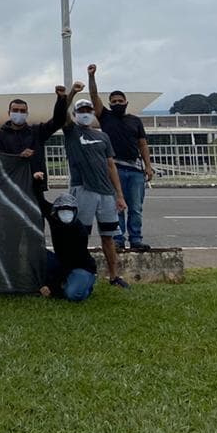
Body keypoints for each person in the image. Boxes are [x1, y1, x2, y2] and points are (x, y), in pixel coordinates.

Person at [62, 96, 130, 289]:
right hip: (83, 190)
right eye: (81, 111)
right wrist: (69, 95)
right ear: (75, 114)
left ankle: (114, 276)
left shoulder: (103, 136)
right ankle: (76, 274)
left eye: (88, 111)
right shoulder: (71, 132)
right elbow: (61, 114)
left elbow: (110, 166)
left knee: (108, 235)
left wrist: (119, 194)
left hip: (106, 193)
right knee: (80, 235)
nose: (85, 114)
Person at [88, 64, 155, 252]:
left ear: (126, 102)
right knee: (116, 206)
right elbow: (94, 97)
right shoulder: (106, 117)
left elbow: (142, 144)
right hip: (113, 168)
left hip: (135, 170)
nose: (117, 103)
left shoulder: (135, 121)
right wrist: (91, 77)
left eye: (120, 100)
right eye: (113, 101)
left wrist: (148, 167)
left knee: (135, 207)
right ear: (109, 104)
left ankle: (136, 239)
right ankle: (118, 239)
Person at [0, 86, 73, 185]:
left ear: (27, 113)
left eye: (22, 111)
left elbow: (58, 121)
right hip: (11, 186)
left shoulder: (37, 131)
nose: (19, 113)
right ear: (9, 113)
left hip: (36, 184)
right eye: (15, 110)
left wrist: (61, 99)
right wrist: (18, 156)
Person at [33, 190, 98, 301]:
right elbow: (41, 201)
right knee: (38, 253)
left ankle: (86, 285)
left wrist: (51, 286)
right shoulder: (54, 218)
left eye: (70, 211)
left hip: (80, 266)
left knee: (72, 295)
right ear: (56, 211)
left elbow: (69, 262)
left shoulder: (80, 232)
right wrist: (38, 182)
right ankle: (63, 283)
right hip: (60, 260)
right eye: (62, 210)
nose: (66, 214)